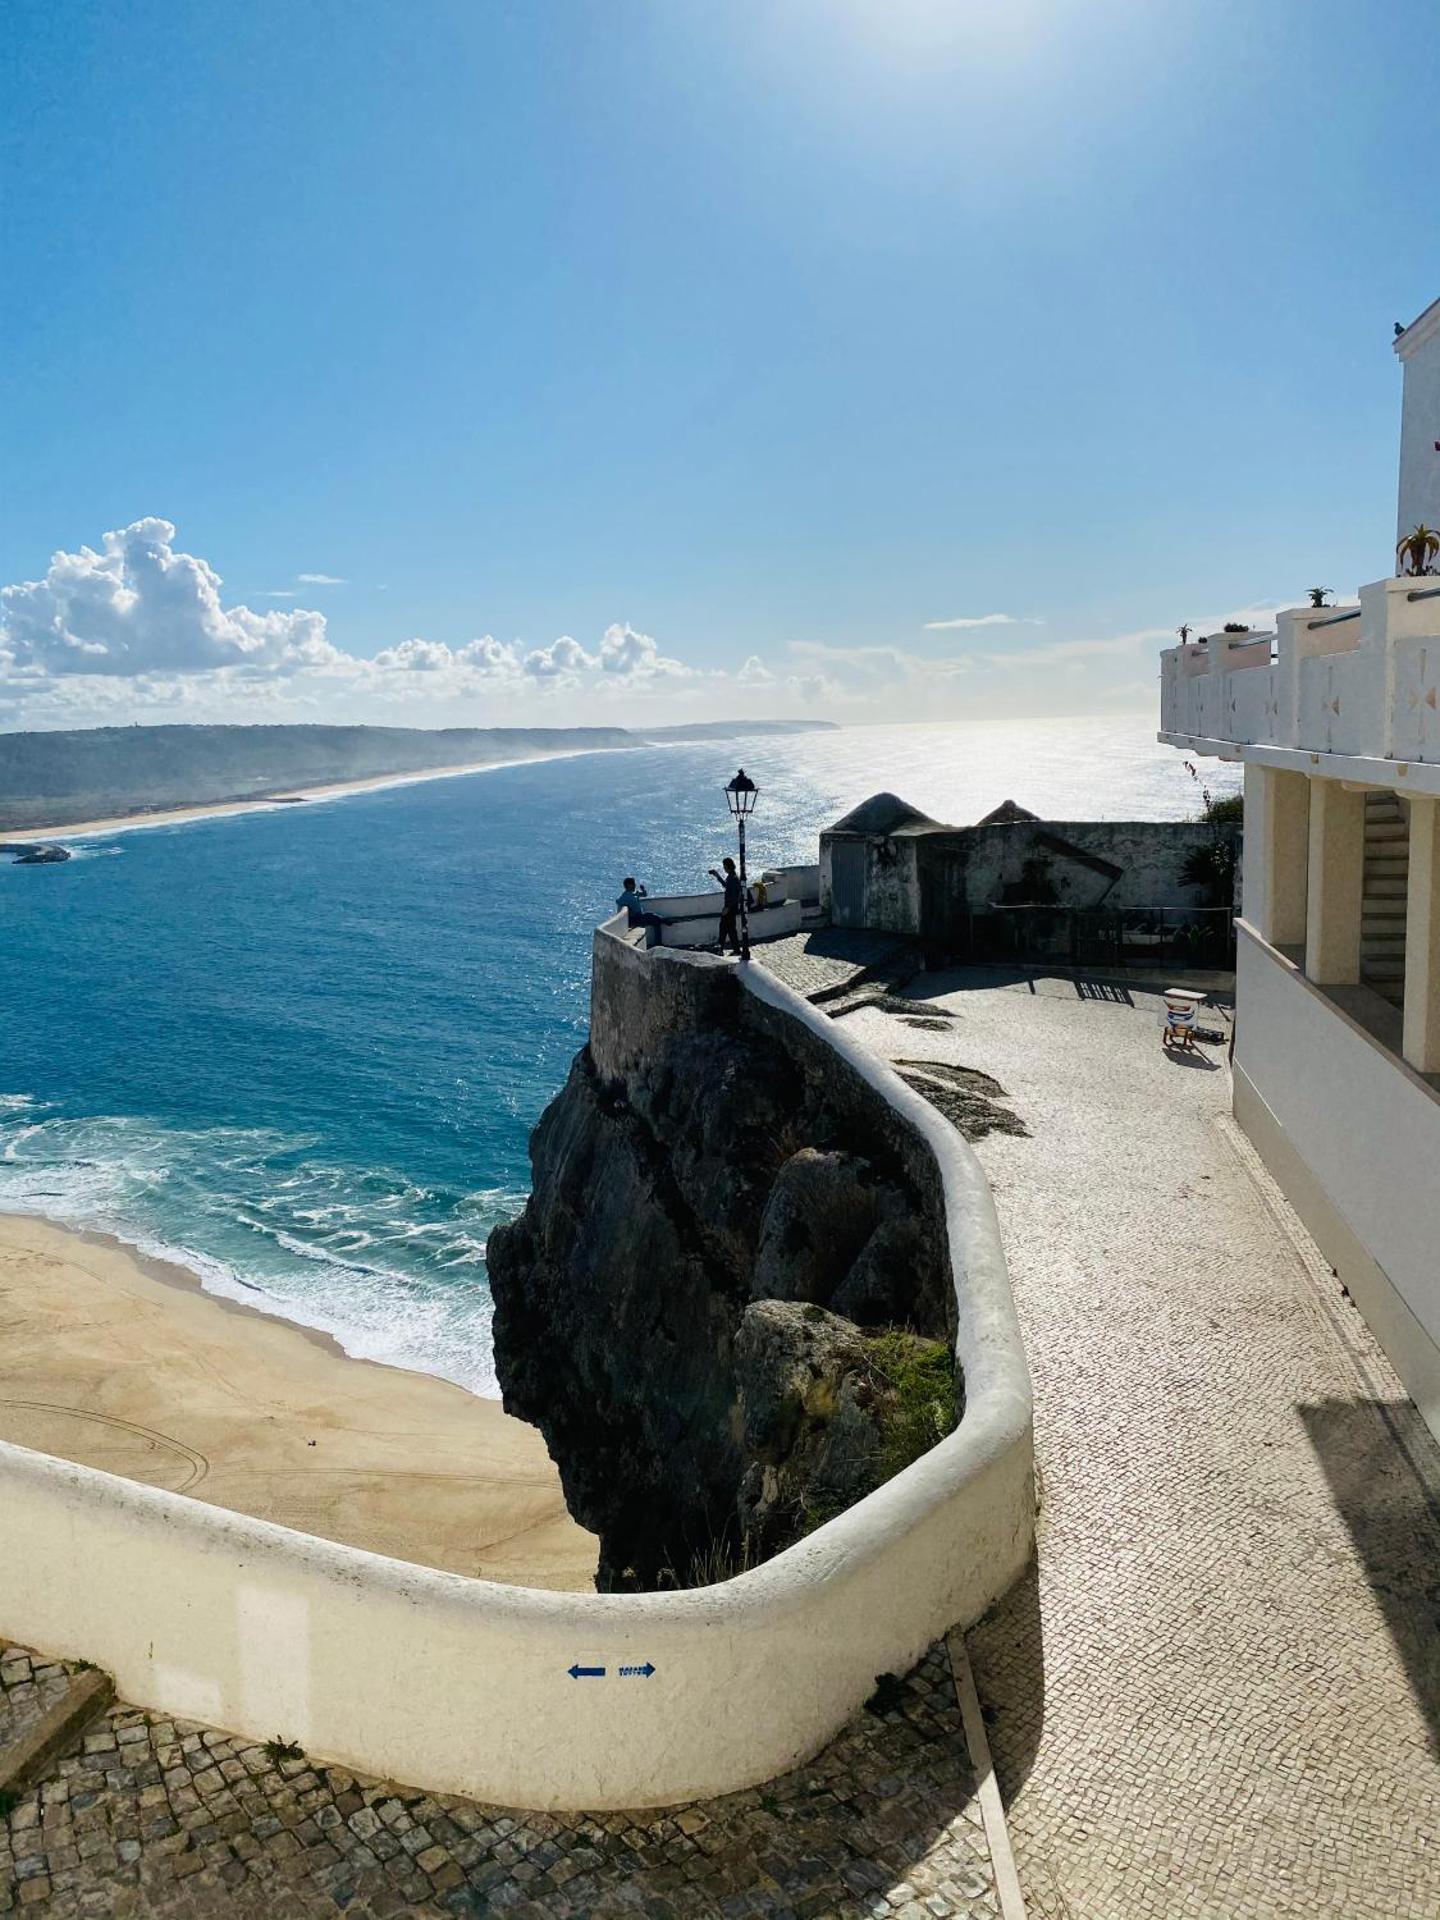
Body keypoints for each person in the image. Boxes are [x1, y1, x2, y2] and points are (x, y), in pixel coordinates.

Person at [707, 856, 744, 954]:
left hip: (729, 908)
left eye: (724, 866)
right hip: (731, 907)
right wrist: (717, 876)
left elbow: (734, 896)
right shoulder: (732, 877)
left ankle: (722, 949)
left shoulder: (733, 879)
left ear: (727, 866)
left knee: (724, 928)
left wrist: (727, 907)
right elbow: (726, 886)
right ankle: (733, 949)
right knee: (730, 929)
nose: (724, 868)